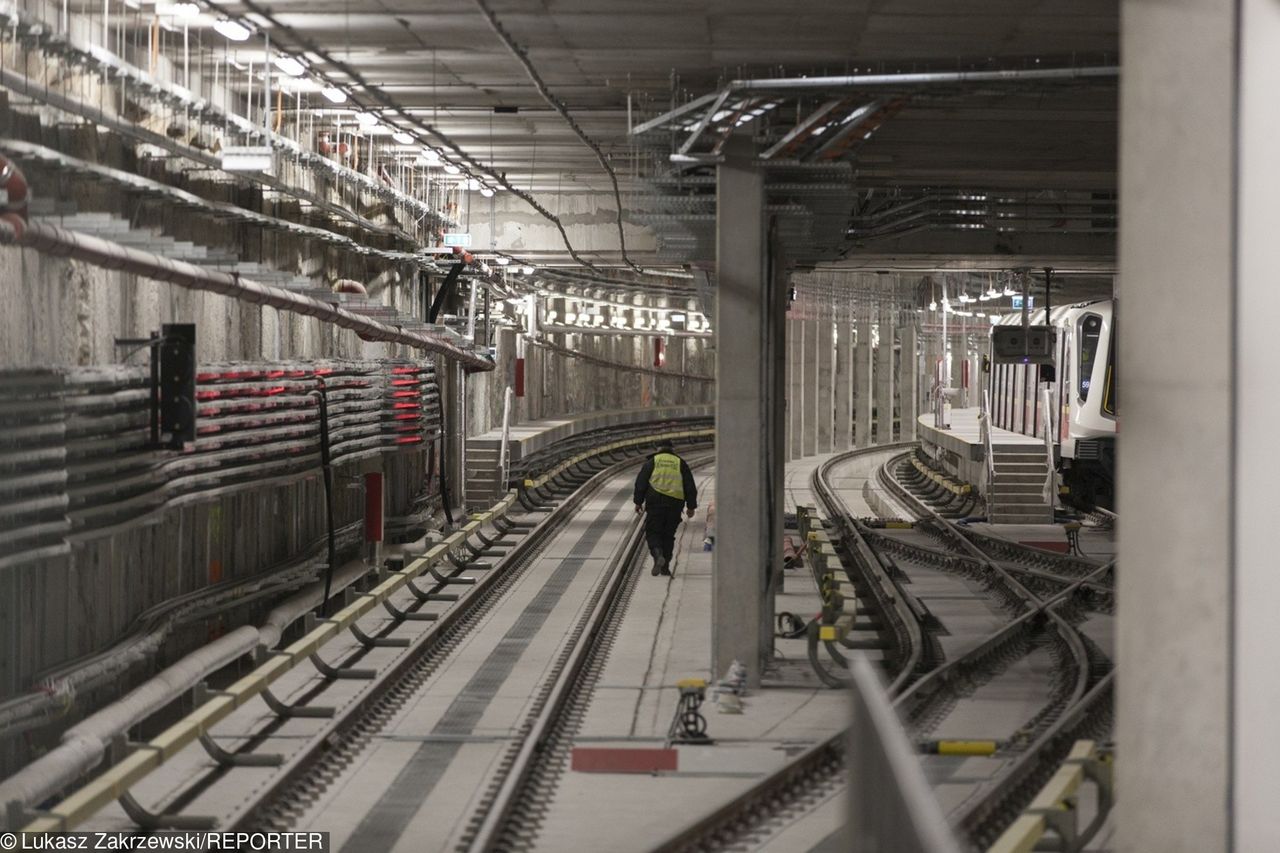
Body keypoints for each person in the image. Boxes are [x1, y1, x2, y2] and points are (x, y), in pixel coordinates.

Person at [633, 440, 697, 576]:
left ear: (658, 448)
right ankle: (665, 567)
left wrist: (638, 502)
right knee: (668, 536)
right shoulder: (680, 463)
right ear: (672, 449)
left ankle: (658, 555)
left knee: (653, 532)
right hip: (675, 504)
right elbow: (690, 486)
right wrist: (691, 507)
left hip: (655, 503)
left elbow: (641, 482)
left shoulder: (652, 462)